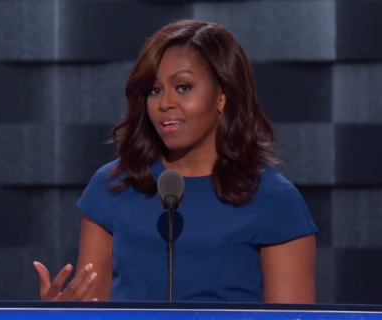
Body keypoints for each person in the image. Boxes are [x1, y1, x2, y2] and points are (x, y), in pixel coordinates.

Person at [34, 19, 317, 303]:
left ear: (222, 95)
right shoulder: (112, 186)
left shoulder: (274, 200)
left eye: (183, 87)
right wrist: (61, 314)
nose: (164, 103)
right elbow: (94, 308)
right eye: (154, 90)